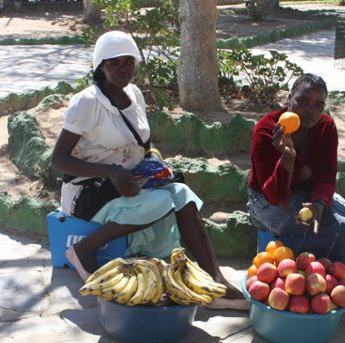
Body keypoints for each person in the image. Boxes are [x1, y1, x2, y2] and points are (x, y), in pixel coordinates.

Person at [51, 31, 245, 309]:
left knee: (183, 195)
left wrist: (154, 162)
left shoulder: (135, 95)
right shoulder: (88, 102)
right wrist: (110, 171)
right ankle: (84, 250)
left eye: (128, 61)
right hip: (89, 190)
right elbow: (59, 159)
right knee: (164, 201)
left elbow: (143, 144)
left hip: (130, 182)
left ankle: (216, 282)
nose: (122, 69)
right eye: (114, 63)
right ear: (100, 67)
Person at [247, 73, 345, 285]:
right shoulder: (267, 129)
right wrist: (287, 159)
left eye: (319, 105)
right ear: (289, 98)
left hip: (308, 196)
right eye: (303, 101)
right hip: (265, 200)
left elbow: (326, 177)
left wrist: (319, 203)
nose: (310, 110)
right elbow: (273, 194)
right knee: (317, 231)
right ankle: (309, 284)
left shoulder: (326, 127)